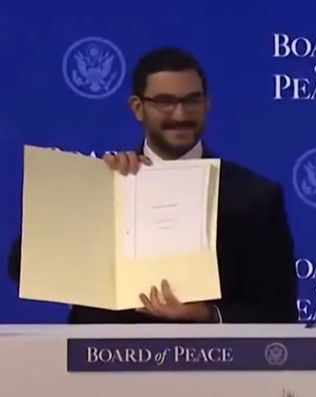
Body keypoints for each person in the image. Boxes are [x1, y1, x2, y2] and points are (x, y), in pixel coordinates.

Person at [6, 47, 299, 323]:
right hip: (102, 356)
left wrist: (206, 315)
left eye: (192, 101)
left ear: (206, 105)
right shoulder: (102, 184)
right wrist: (93, 191)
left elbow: (279, 313)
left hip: (208, 358)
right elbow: (23, 267)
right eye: (165, 102)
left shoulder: (254, 196)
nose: (180, 115)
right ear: (138, 107)